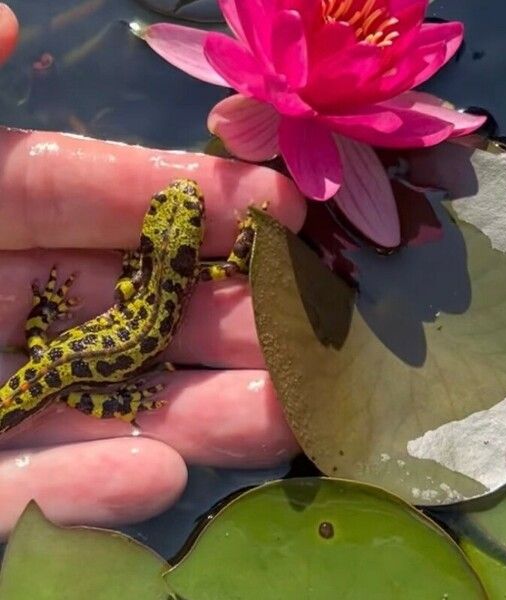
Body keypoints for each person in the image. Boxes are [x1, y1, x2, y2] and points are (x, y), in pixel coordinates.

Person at [0, 3, 303, 537]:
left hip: (60, 358)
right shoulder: (175, 280)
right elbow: (230, 267)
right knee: (68, 380)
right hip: (63, 371)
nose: (185, 199)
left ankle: (55, 328)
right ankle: (104, 387)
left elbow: (138, 283)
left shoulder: (150, 282)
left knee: (54, 360)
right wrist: (251, 233)